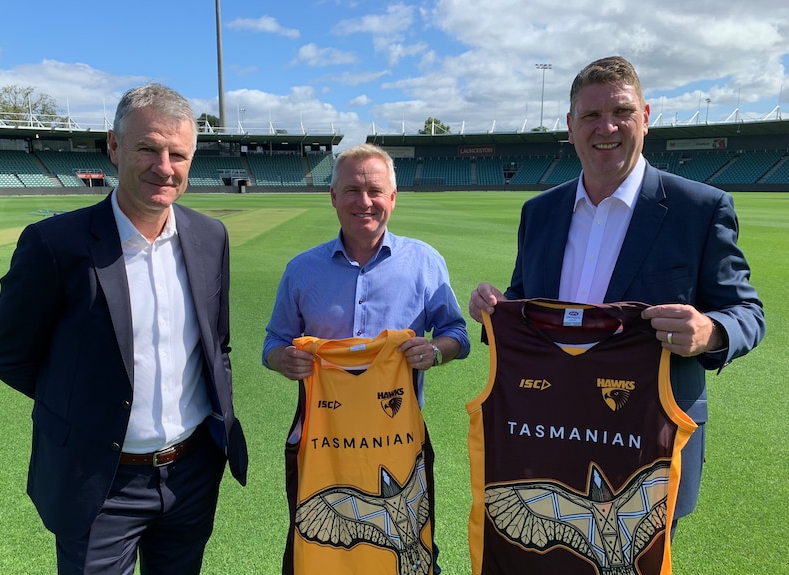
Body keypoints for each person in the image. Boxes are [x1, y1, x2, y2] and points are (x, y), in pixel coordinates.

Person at [469, 55, 765, 531]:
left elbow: (748, 311)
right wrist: (495, 311)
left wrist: (711, 330)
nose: (605, 127)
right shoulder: (539, 212)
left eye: (621, 112)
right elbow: (525, 301)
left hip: (649, 436)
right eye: (590, 115)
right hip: (549, 428)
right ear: (570, 126)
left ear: (645, 118)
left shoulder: (699, 208)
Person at [0, 84, 248, 575]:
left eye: (178, 154)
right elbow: (7, 355)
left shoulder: (210, 237)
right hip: (98, 481)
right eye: (148, 148)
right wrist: (85, 408)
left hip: (191, 473)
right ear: (114, 146)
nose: (163, 167)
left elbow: (217, 344)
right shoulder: (54, 244)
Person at [263, 143, 470, 573]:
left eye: (375, 190)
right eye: (352, 190)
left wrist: (435, 351)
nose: (365, 201)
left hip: (400, 438)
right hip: (322, 439)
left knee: (410, 538)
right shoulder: (302, 270)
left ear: (392, 197)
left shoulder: (425, 262)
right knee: (311, 537)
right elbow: (274, 343)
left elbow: (458, 334)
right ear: (333, 197)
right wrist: (284, 360)